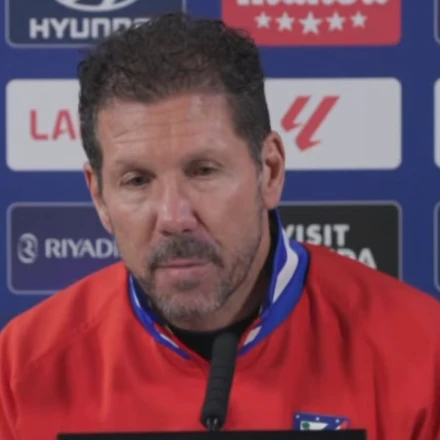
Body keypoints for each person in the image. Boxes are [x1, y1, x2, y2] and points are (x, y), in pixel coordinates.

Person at [1, 11, 439, 440]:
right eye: (137, 181)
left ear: (269, 171)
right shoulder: (20, 369)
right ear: (99, 196)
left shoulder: (423, 352)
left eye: (203, 171)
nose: (174, 218)